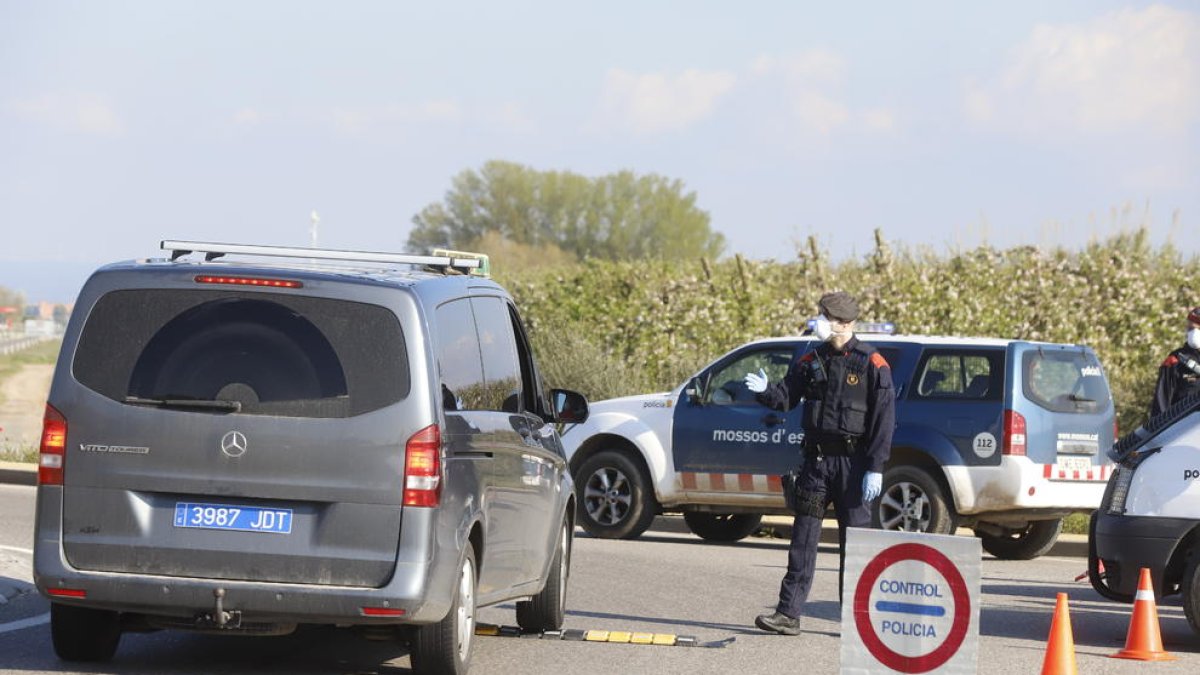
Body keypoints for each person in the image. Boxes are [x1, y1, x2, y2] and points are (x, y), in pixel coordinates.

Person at [744, 291, 895, 635]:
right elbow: (785, 397)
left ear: (845, 322)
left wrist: (875, 467)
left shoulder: (872, 364)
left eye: (827, 318)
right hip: (816, 464)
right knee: (803, 539)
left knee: (855, 546)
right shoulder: (811, 360)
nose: (821, 323)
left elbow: (883, 422)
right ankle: (788, 614)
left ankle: (857, 623)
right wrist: (766, 390)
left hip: (853, 467)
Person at [1150, 306, 1200, 418]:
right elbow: (1160, 407)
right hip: (1185, 427)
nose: (1193, 333)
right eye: (1190, 328)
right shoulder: (1174, 361)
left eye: (1198, 329)